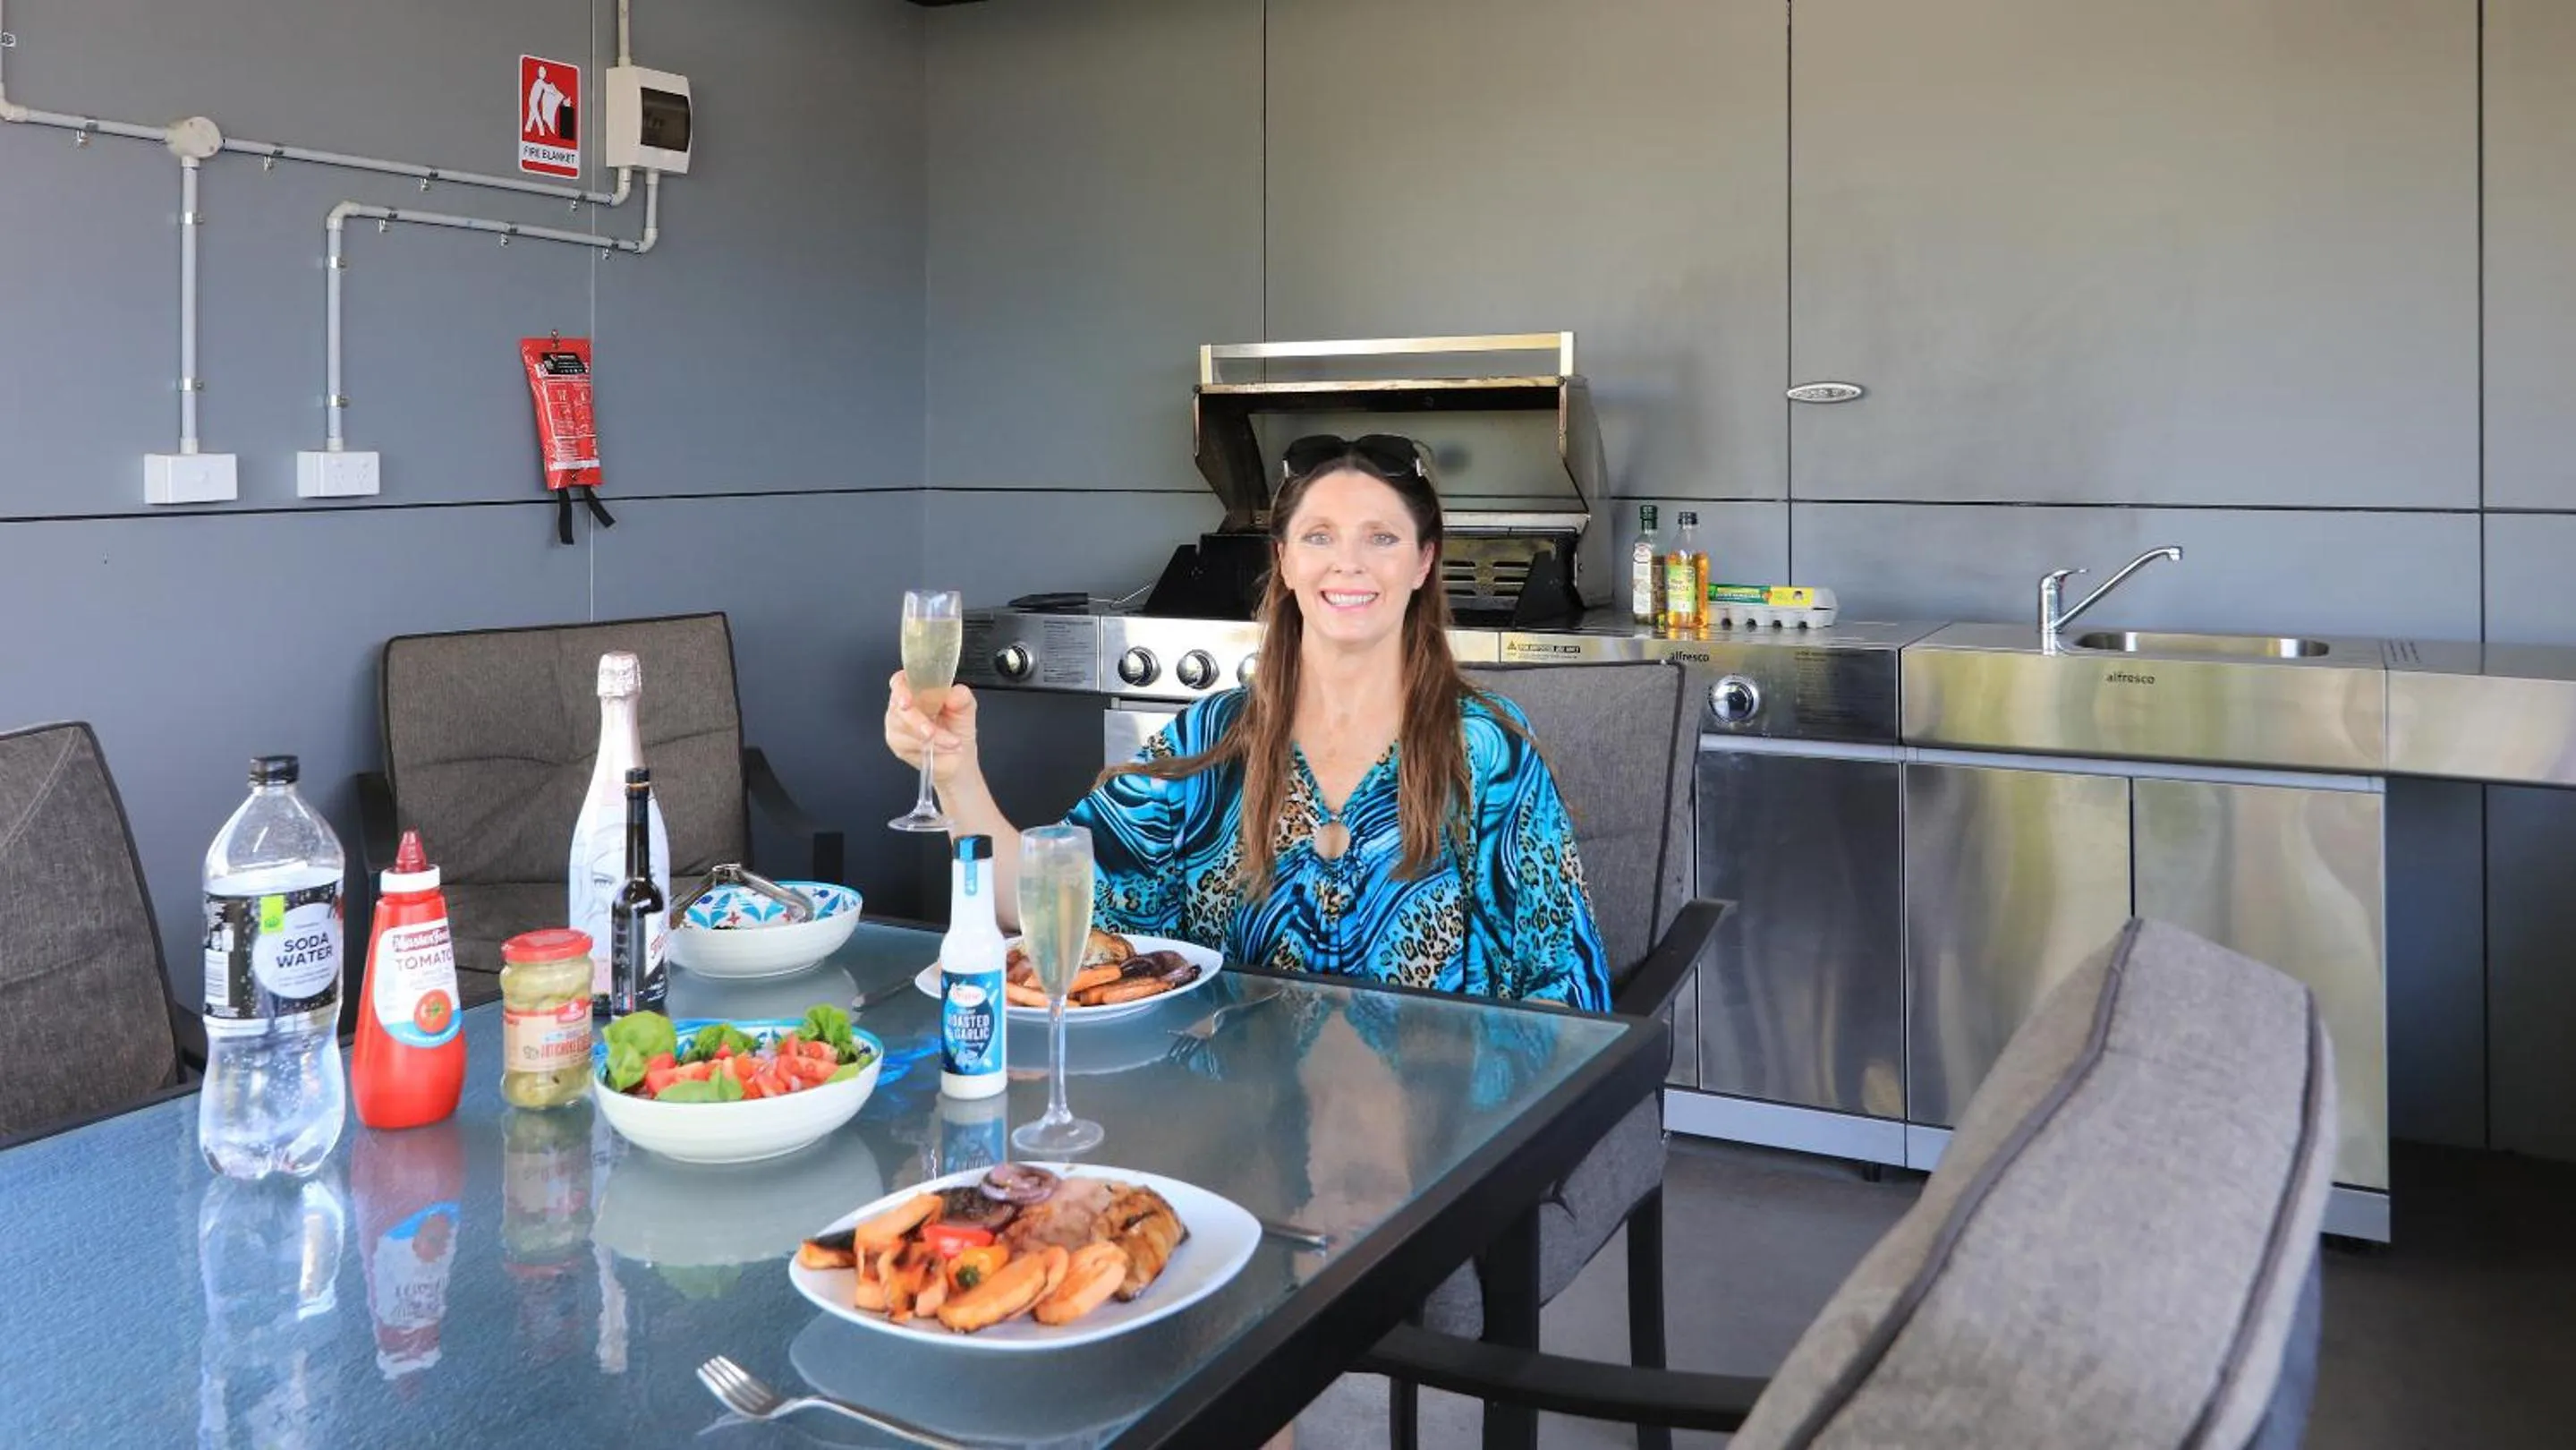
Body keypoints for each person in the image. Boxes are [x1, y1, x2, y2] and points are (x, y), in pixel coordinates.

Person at [882, 432, 1610, 1011]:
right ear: (1284, 561)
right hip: (1238, 1124)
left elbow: (1563, 983)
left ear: (1424, 563)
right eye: (1319, 536)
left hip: (1437, 1127)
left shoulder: (1485, 748)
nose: (1347, 564)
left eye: (1381, 538)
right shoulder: (1210, 739)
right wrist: (955, 773)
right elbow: (1046, 905)